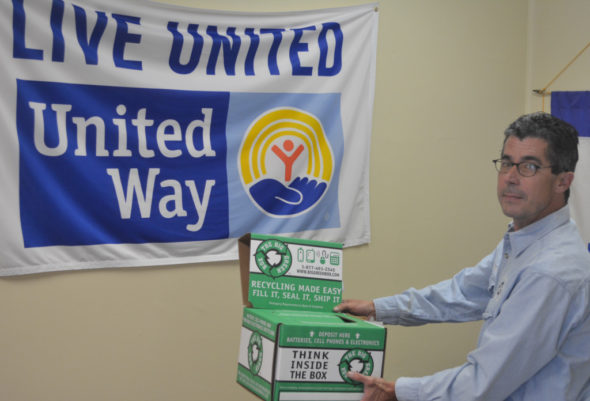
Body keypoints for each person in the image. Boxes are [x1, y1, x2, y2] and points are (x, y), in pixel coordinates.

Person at [334, 112, 590, 401]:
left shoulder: (551, 271)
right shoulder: (526, 241)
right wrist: (377, 309)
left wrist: (397, 391)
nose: (510, 178)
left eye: (529, 167)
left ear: (563, 181)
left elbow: (485, 381)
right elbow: (461, 292)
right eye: (506, 163)